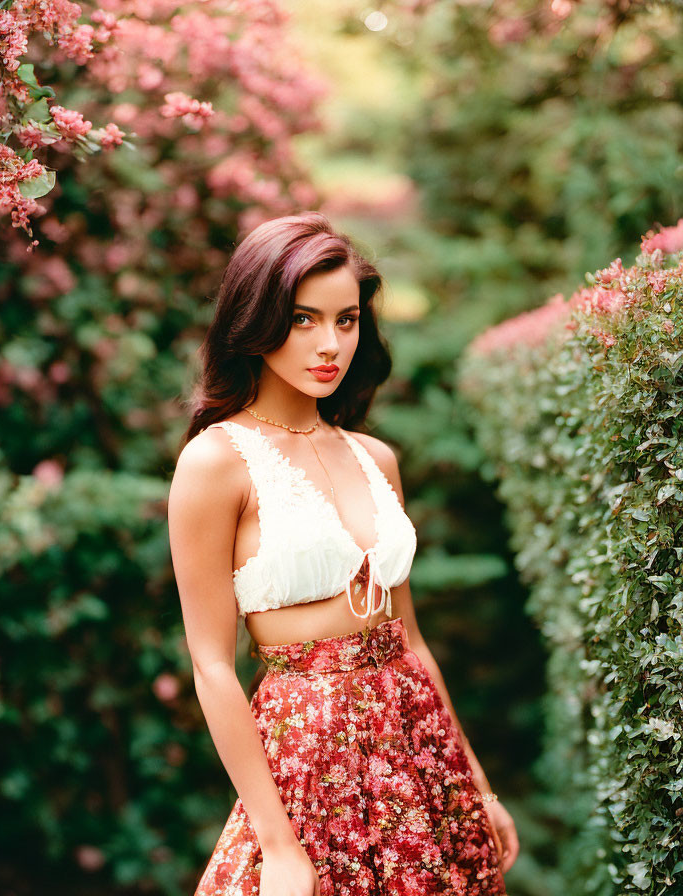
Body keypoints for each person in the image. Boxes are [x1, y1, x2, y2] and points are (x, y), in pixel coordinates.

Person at [168, 211, 519, 896]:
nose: (330, 344)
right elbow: (213, 665)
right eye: (303, 320)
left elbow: (409, 638)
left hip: (421, 759)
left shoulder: (375, 458)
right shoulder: (216, 463)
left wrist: (477, 782)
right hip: (306, 767)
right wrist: (279, 845)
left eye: (347, 320)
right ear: (256, 319)